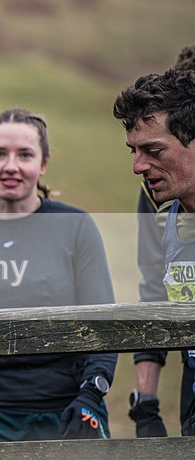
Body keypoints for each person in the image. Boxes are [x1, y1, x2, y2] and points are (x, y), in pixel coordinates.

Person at [0, 108, 117, 443]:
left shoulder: (76, 226)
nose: (11, 166)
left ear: (43, 164)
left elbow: (105, 323)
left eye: (25, 155)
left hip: (72, 408)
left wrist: (91, 394)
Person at [114, 67, 195, 435]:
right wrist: (145, 405)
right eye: (134, 151)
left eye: (153, 150)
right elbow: (154, 295)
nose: (137, 166)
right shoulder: (166, 217)